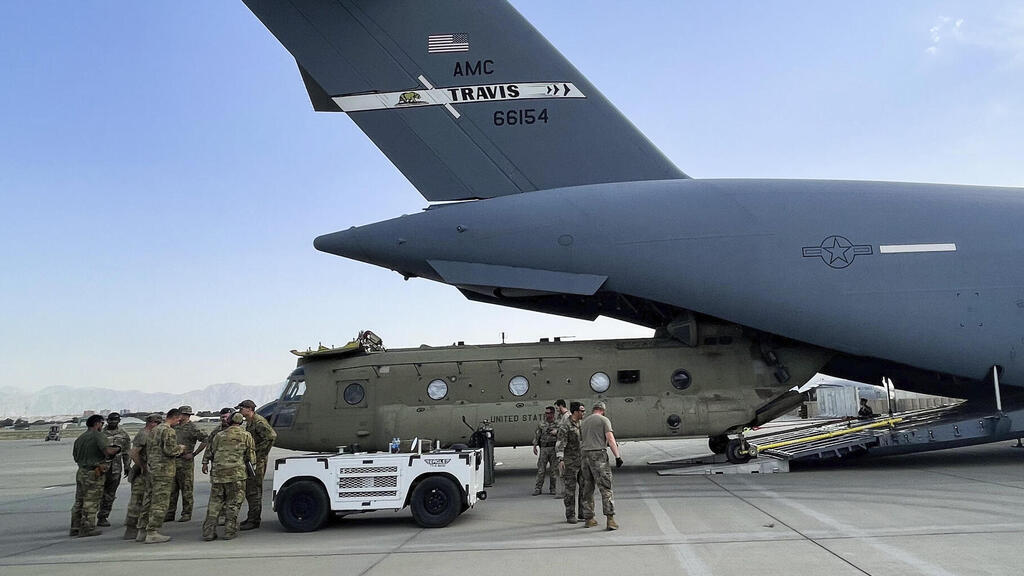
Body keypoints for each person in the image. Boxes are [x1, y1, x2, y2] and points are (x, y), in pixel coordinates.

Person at [202, 412, 256, 541]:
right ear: (241, 422)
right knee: (234, 503)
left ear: (230, 421)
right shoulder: (246, 435)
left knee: (215, 503)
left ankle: (208, 532)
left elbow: (211, 451)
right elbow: (251, 456)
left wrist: (205, 463)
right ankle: (229, 531)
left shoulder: (219, 435)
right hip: (236, 474)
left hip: (218, 474)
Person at [71, 414, 122, 537]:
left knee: (79, 501)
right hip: (94, 472)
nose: (102, 426)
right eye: (102, 423)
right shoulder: (98, 436)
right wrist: (117, 449)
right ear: (97, 423)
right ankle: (87, 528)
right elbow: (107, 451)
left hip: (82, 471)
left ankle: (75, 526)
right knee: (91, 501)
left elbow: (75, 456)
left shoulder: (80, 438)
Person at [141, 408, 186, 543]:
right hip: (163, 471)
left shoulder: (154, 430)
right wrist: (181, 448)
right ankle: (152, 532)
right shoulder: (168, 431)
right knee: (160, 501)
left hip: (153, 469)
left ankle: (142, 530)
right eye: (179, 418)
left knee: (148, 499)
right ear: (175, 417)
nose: (179, 421)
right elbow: (170, 450)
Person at [580, 401, 622, 530]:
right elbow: (610, 439)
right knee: (605, 487)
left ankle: (589, 519)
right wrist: (617, 456)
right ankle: (610, 520)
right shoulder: (604, 420)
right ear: (603, 410)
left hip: (585, 456)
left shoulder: (584, 422)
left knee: (588, 488)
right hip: (598, 455)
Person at [236, 399, 277, 530]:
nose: (240, 411)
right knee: (251, 490)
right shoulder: (250, 422)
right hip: (253, 460)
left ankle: (254, 520)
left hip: (258, 462)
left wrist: (260, 454)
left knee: (254, 490)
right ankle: (251, 517)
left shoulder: (258, 421)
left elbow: (271, 436)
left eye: (241, 408)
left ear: (249, 409)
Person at [165, 405, 209, 522]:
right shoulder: (173, 427)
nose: (183, 416)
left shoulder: (193, 428)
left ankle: (186, 513)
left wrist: (194, 454)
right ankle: (170, 513)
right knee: (172, 489)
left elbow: (206, 439)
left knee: (186, 489)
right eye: (182, 414)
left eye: (186, 414)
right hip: (172, 460)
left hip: (185, 462)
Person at [123, 413, 162, 540]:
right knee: (137, 501)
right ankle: (131, 529)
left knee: (144, 501)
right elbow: (133, 453)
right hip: (142, 474)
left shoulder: (150, 434)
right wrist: (143, 467)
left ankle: (138, 530)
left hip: (147, 472)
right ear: (152, 423)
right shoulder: (143, 434)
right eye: (157, 423)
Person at [96, 412, 132, 528]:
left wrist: (127, 466)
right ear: (107, 420)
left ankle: (103, 516)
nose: (112, 422)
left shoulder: (123, 435)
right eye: (110, 420)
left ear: (119, 421)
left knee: (110, 494)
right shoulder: (100, 433)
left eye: (115, 420)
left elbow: (126, 452)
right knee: (96, 493)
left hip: (116, 469)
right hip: (101, 467)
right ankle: (89, 517)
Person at [202, 408, 235, 527]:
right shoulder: (216, 432)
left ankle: (229, 517)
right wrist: (205, 462)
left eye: (226, 417)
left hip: (233, 468)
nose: (224, 419)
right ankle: (220, 516)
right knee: (218, 493)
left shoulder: (239, 431)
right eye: (222, 417)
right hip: (218, 467)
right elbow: (209, 447)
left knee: (231, 494)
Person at [556, 401, 586, 524]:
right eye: (582, 411)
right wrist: (560, 459)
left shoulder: (582, 424)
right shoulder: (565, 426)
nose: (584, 413)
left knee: (584, 487)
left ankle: (582, 512)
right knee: (570, 490)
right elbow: (560, 443)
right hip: (570, 461)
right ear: (575, 412)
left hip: (582, 460)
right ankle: (570, 514)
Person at [531, 406, 559, 495]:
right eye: (546, 413)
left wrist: (556, 432)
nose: (547, 415)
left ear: (553, 414)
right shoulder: (542, 423)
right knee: (541, 470)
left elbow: (562, 435)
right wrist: (535, 446)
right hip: (544, 449)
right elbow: (537, 435)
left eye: (549, 413)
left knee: (553, 470)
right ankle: (538, 488)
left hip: (553, 448)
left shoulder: (558, 424)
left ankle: (553, 488)